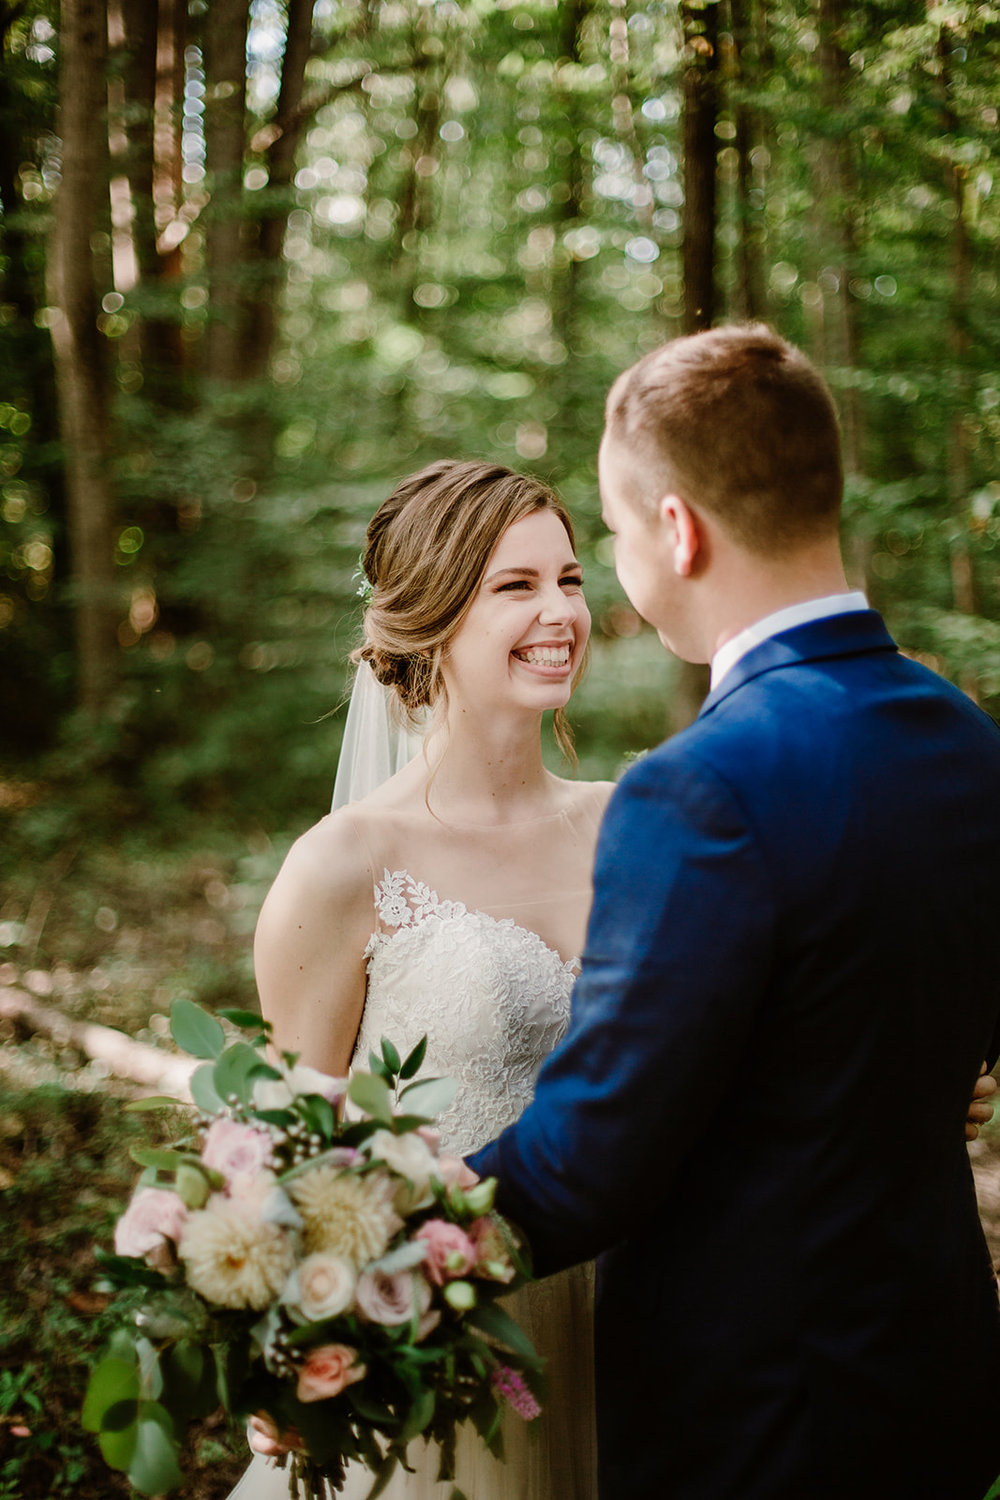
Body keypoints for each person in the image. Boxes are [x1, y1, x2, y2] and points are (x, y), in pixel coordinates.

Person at [470, 324, 1000, 1500]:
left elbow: (584, 1166)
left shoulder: (698, 787)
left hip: (762, 1421)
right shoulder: (964, 740)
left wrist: (356, 1229)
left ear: (677, 529)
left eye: (608, 531)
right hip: (938, 1375)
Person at [226, 459, 614, 1500]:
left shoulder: (633, 824)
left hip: (633, 1330)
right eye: (515, 585)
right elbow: (283, 1153)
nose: (559, 612)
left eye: (569, 580)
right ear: (432, 615)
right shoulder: (343, 865)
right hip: (444, 1361)